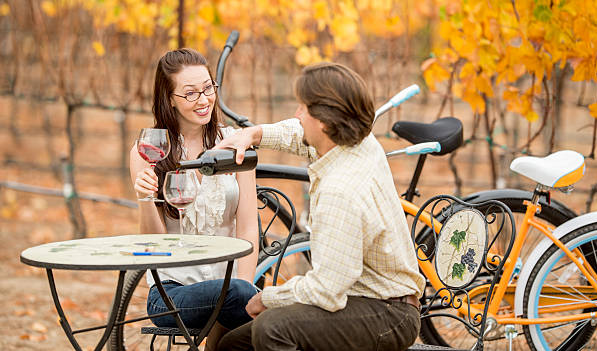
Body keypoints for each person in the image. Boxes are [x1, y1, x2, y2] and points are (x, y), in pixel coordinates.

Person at [214, 62, 425, 351]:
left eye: (303, 108)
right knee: (233, 344)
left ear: (324, 122)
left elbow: (327, 291)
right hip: (362, 299)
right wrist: (254, 134)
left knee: (271, 328)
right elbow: (297, 135)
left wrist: (269, 297)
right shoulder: (358, 141)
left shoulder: (340, 189)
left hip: (388, 313)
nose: (297, 114)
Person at [130, 48, 259, 350]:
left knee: (249, 301)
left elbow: (248, 227)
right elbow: (153, 247)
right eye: (190, 94)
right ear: (168, 99)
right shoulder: (149, 150)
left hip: (233, 285)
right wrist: (145, 198)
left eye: (208, 88)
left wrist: (247, 287)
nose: (203, 100)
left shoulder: (233, 144)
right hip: (171, 294)